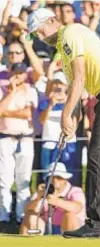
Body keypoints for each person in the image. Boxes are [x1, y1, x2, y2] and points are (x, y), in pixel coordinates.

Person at [27, 8, 100, 238]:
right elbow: (78, 94)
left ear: (52, 20)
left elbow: (78, 79)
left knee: (98, 156)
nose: (39, 36)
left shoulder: (70, 32)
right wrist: (69, 126)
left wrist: (66, 115)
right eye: (35, 35)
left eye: (39, 30)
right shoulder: (65, 54)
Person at [0, 62, 38, 224]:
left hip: (25, 138)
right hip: (5, 137)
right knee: (4, 180)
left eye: (21, 73)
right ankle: (4, 216)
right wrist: (11, 92)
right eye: (16, 72)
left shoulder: (31, 90)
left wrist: (7, 112)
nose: (18, 76)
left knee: (24, 180)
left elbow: (27, 113)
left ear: (25, 75)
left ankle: (21, 215)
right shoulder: (2, 90)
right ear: (10, 73)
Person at [19, 162, 86, 235]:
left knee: (70, 215)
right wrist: (38, 198)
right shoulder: (43, 191)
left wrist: (56, 201)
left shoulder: (75, 191)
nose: (55, 180)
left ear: (65, 179)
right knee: (31, 215)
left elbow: (77, 208)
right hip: (46, 225)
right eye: (52, 177)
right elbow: (27, 210)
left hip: (71, 225)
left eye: (59, 177)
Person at [39, 77, 78, 185]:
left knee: (68, 173)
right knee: (47, 174)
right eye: (55, 89)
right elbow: (42, 120)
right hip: (49, 143)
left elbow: (77, 119)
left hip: (68, 143)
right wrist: (51, 104)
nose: (58, 92)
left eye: (60, 89)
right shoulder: (45, 103)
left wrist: (67, 100)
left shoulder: (72, 104)